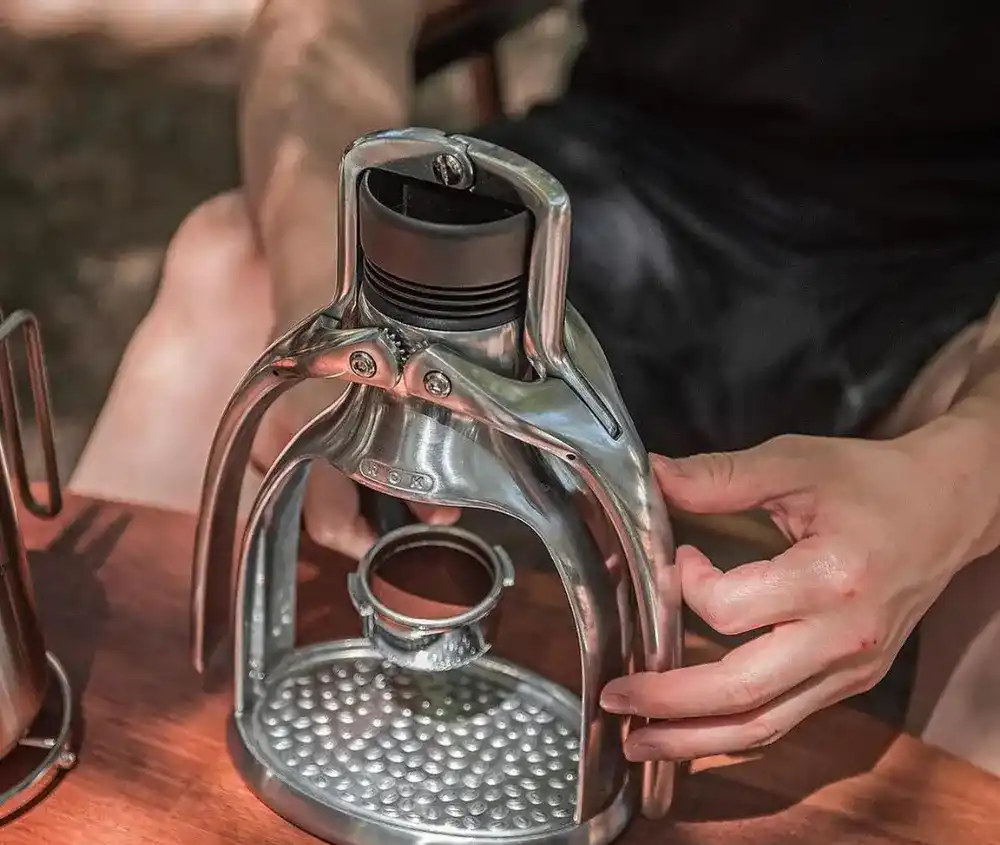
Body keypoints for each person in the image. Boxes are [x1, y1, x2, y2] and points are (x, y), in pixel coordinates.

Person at [72, 0, 1000, 765]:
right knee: (228, 267)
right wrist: (333, 301)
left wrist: (957, 485)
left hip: (949, 270)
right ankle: (104, 768)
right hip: (623, 194)